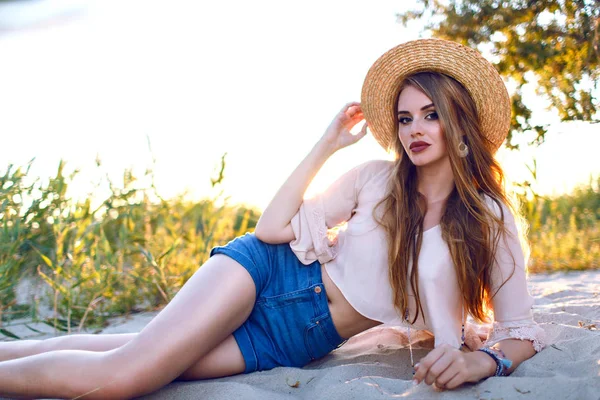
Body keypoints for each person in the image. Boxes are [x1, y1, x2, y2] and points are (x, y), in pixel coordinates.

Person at [0, 38, 546, 399]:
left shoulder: (488, 219)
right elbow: (271, 229)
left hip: (294, 340)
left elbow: (521, 330)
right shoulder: (376, 179)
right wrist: (328, 143)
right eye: (404, 118)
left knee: (137, 356)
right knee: (122, 377)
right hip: (267, 274)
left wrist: (485, 364)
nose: (414, 129)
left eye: (431, 114)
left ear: (460, 123)